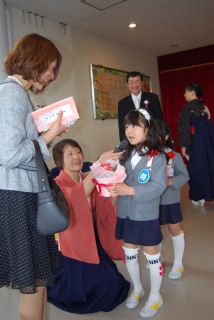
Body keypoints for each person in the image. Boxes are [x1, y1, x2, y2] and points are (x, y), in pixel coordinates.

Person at [0, 34, 70, 320]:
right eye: (50, 68)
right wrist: (48, 136)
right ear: (34, 60)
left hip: (27, 194)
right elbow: (8, 155)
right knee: (32, 281)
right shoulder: (11, 93)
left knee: (40, 278)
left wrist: (43, 134)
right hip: (17, 197)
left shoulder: (20, 94)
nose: (52, 76)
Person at [47, 139, 130, 313]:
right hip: (73, 245)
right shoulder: (57, 183)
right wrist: (98, 166)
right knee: (103, 287)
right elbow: (75, 197)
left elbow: (103, 204)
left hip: (91, 239)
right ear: (59, 162)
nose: (76, 156)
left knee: (113, 282)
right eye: (69, 154)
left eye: (78, 152)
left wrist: (114, 187)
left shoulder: (86, 177)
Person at [107, 109, 167, 318]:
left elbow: (159, 186)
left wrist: (130, 190)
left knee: (152, 256)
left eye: (135, 125)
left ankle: (155, 296)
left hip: (146, 214)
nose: (129, 131)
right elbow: (116, 177)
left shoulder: (157, 156)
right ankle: (138, 288)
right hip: (126, 212)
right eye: (126, 126)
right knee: (129, 252)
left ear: (148, 129)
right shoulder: (124, 154)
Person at [156, 121, 189, 280]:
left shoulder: (174, 156)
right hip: (153, 201)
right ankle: (158, 258)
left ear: (167, 136)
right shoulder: (148, 157)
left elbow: (184, 175)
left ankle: (178, 263)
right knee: (156, 231)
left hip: (170, 200)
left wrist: (170, 181)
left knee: (174, 229)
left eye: (159, 134)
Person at [177, 83, 214, 206]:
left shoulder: (187, 107)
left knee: (195, 168)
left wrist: (183, 146)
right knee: (207, 166)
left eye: (186, 92)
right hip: (207, 143)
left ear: (192, 92)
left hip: (194, 144)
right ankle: (208, 193)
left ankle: (198, 196)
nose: (184, 94)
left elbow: (184, 128)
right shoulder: (204, 107)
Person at [118, 71, 164, 141]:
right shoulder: (122, 103)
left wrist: (161, 137)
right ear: (127, 84)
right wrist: (124, 146)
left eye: (137, 81)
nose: (134, 85)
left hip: (151, 139)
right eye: (131, 82)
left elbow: (159, 120)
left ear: (142, 83)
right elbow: (122, 127)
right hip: (133, 142)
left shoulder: (153, 98)